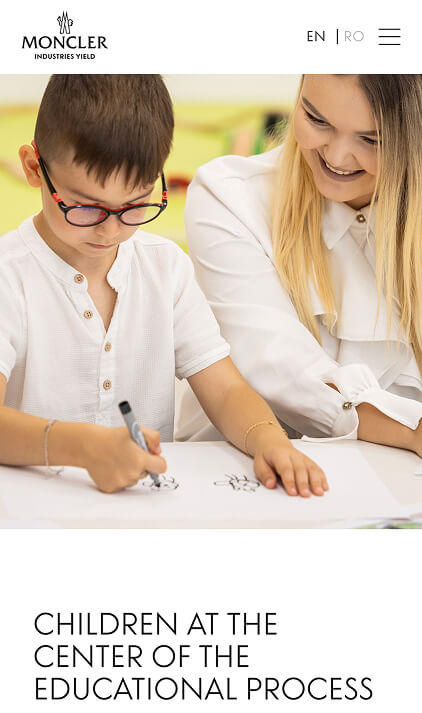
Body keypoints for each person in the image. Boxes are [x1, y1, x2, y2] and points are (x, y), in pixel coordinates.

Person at [0, 74, 327, 497]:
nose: (111, 231)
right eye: (85, 207)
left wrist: (268, 438)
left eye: (135, 205)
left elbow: (225, 389)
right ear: (33, 168)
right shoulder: (10, 274)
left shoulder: (165, 267)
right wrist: (82, 447)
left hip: (145, 508)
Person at [177, 74, 422, 459]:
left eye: (371, 140)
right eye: (316, 119)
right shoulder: (230, 196)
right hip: (244, 472)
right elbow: (282, 368)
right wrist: (410, 430)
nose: (336, 158)